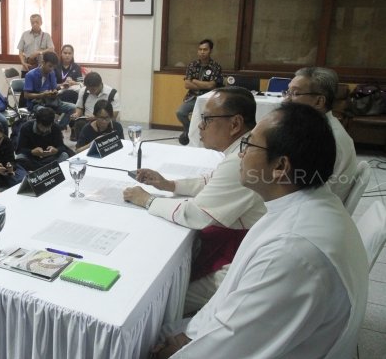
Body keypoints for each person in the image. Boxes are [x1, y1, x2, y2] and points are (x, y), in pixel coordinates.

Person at [155, 102, 368, 358]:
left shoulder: (291, 250)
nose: (241, 155)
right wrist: (188, 334)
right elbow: (231, 296)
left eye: (249, 145)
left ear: (280, 167)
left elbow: (232, 345)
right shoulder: (303, 204)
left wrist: (175, 351)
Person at [123, 87, 265, 314]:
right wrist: (169, 185)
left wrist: (147, 200)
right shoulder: (244, 146)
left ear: (235, 124)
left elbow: (195, 215)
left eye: (207, 119)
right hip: (240, 237)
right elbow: (212, 181)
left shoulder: (242, 159)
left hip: (239, 258)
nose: (199, 125)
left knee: (157, 299)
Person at [283, 67, 357, 202]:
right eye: (287, 92)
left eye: (295, 93)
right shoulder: (316, 127)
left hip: (315, 207)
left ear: (319, 101)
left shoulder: (326, 139)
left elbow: (305, 189)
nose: (285, 100)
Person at [176, 39, 223, 145]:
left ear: (210, 51)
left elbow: (211, 85)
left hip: (209, 99)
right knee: (180, 112)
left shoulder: (216, 67)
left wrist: (195, 81)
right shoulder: (192, 65)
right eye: (200, 49)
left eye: (205, 49)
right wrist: (204, 85)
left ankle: (207, 134)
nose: (202, 52)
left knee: (210, 117)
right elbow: (187, 84)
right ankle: (189, 131)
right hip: (193, 97)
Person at [23, 52, 76, 129]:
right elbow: (26, 95)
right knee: (47, 113)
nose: (51, 69)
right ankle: (52, 129)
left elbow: (54, 88)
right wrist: (42, 95)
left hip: (51, 101)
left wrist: (61, 86)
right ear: (43, 62)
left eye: (53, 67)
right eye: (50, 66)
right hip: (36, 103)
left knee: (73, 107)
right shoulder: (30, 75)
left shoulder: (51, 73)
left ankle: (57, 128)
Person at [73, 71, 120, 140]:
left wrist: (96, 118)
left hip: (105, 120)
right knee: (79, 123)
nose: (90, 91)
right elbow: (79, 107)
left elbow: (114, 115)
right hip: (86, 121)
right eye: (88, 88)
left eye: (93, 89)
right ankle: (82, 145)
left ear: (100, 84)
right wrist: (77, 114)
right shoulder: (84, 91)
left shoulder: (112, 93)